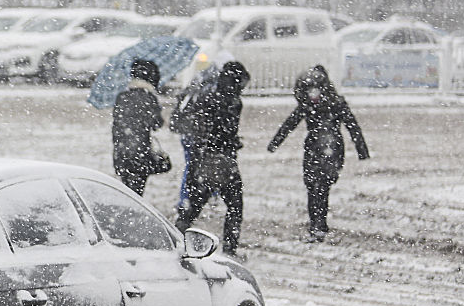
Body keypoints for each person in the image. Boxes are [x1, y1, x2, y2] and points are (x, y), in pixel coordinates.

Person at [267, 65, 370, 242]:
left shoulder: (312, 104)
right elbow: (353, 127)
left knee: (315, 187)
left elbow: (289, 124)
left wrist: (275, 143)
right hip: (331, 148)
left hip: (316, 148)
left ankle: (317, 225)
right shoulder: (335, 102)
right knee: (320, 187)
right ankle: (318, 225)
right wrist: (362, 150)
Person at [174, 60, 250, 256]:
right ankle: (230, 250)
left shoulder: (207, 95)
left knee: (194, 205)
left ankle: (174, 238)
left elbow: (199, 128)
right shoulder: (232, 101)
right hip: (222, 161)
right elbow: (225, 132)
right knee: (235, 206)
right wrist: (232, 143)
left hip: (206, 159)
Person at [112, 58, 170, 196]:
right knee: (138, 190)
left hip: (122, 151)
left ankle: (127, 210)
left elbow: (117, 123)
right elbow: (157, 124)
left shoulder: (122, 96)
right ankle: (132, 212)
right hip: (140, 151)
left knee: (127, 188)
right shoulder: (149, 97)